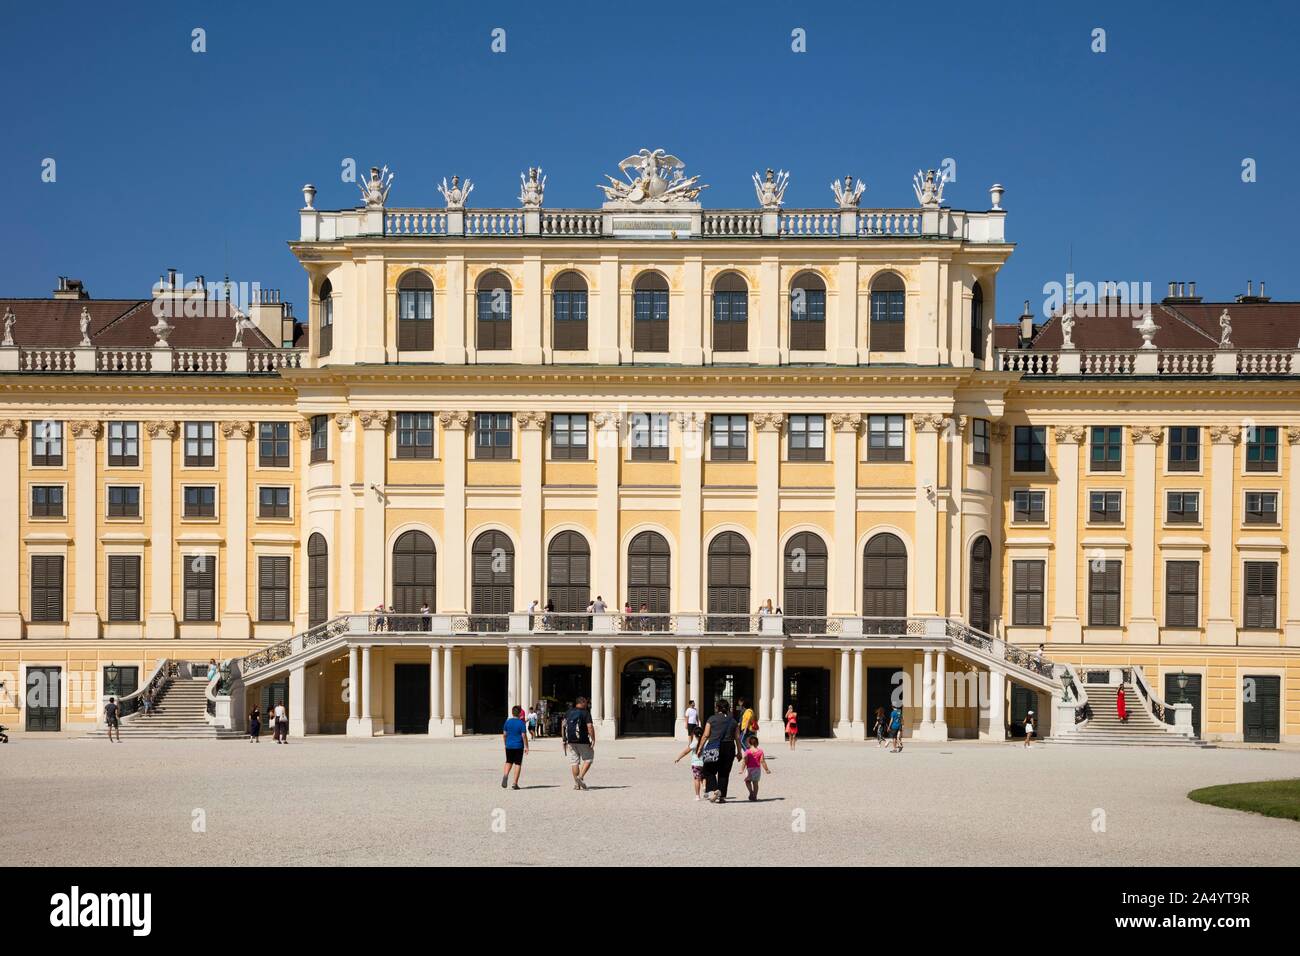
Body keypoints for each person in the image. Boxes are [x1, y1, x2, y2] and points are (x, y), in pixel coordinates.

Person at [699, 700, 742, 803]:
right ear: (728, 708)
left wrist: (700, 748)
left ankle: (715, 789)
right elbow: (737, 738)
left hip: (714, 746)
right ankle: (721, 796)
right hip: (729, 747)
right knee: (724, 773)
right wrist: (740, 752)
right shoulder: (733, 721)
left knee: (708, 770)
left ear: (717, 707)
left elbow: (705, 735)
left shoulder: (712, 719)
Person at [562, 696, 596, 790]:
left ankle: (576, 785)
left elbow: (563, 725)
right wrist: (593, 739)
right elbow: (590, 726)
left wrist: (564, 739)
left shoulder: (568, 712)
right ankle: (580, 777)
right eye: (586, 702)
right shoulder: (585, 713)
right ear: (582, 702)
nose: (587, 704)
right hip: (583, 740)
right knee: (589, 758)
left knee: (574, 762)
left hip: (571, 740)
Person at [502, 705, 529, 789]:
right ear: (520, 713)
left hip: (509, 745)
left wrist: (505, 743)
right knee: (517, 763)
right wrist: (526, 746)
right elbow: (523, 735)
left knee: (508, 761)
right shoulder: (521, 723)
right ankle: (515, 783)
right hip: (518, 746)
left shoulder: (508, 722)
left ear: (512, 712)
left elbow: (504, 734)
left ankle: (505, 775)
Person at [674, 735, 707, 800]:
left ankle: (697, 796)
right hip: (704, 763)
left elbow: (685, 752)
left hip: (695, 764)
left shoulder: (694, 743)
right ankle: (704, 787)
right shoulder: (705, 743)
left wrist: (678, 758)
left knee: (696, 779)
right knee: (704, 777)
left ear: (694, 735)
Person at [740, 734, 772, 802]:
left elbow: (744, 761)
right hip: (757, 769)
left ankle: (751, 792)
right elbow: (762, 761)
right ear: (757, 743)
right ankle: (755, 795)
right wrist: (767, 770)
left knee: (747, 781)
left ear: (748, 743)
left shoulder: (747, 752)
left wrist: (742, 769)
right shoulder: (760, 751)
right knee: (755, 783)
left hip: (749, 769)